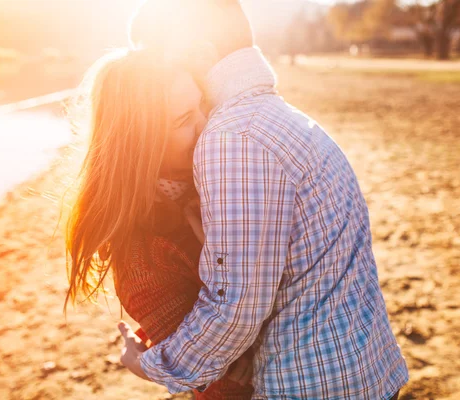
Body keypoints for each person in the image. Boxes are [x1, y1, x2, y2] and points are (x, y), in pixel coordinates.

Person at [117, 1, 409, 399]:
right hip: (362, 368)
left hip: (310, 384)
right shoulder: (276, 117)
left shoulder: (232, 137)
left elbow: (234, 309)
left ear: (200, 52)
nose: (154, 71)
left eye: (157, 56)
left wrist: (152, 366)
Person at [64, 47, 254, 399]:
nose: (205, 123)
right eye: (183, 120)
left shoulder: (217, 180)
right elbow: (219, 374)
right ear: (140, 144)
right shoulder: (142, 259)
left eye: (202, 104)